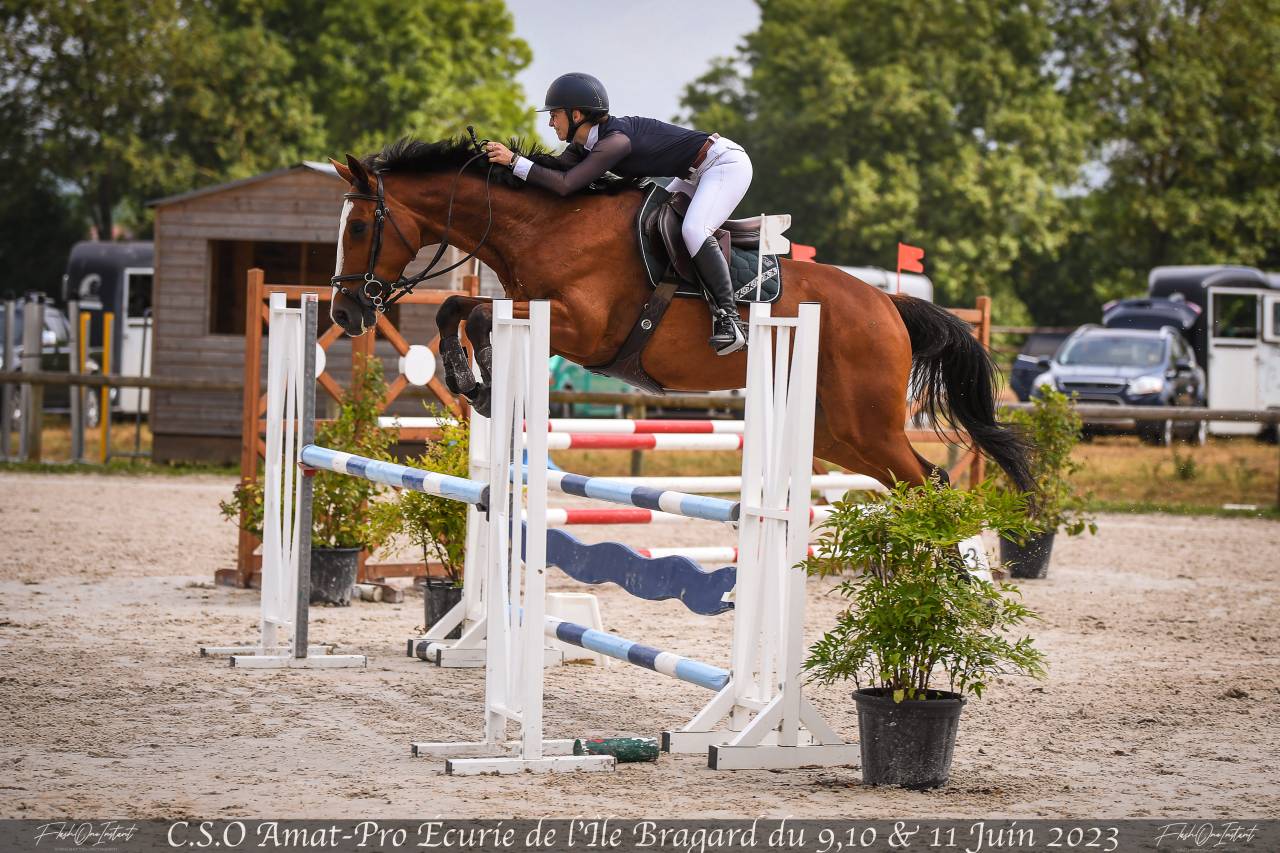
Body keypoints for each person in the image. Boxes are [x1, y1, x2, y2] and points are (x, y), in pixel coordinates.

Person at [485, 72, 752, 355]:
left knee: (693, 230)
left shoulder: (616, 142)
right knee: (662, 223)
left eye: (554, 115)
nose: (551, 122)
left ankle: (729, 319)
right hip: (692, 173)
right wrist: (503, 164)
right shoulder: (585, 144)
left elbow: (566, 185)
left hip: (723, 165)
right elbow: (555, 170)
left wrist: (514, 161)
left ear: (576, 115)